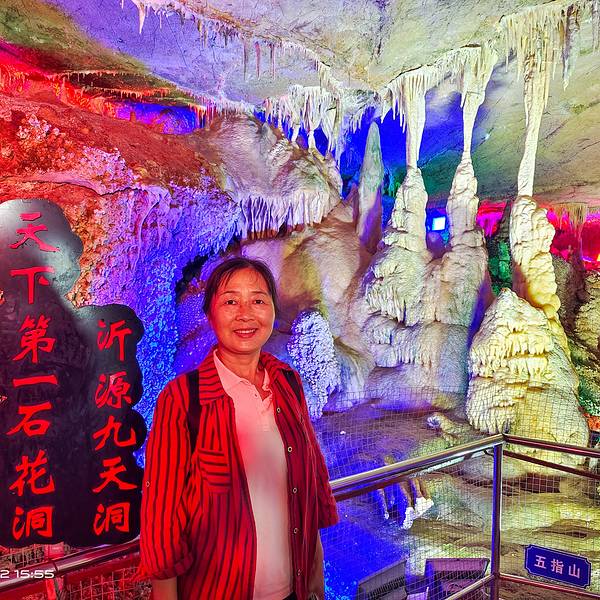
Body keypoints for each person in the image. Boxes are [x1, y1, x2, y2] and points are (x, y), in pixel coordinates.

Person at [137, 257, 339, 600]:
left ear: (272, 310)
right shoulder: (183, 399)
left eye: (258, 300)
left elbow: (310, 487)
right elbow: (163, 519)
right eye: (231, 301)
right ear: (210, 313)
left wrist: (315, 578)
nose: (246, 314)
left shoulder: (287, 383)